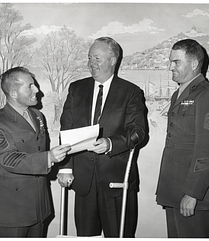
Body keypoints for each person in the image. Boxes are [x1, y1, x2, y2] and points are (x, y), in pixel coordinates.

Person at [57, 37, 147, 237]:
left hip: (116, 181)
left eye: (97, 58)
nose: (91, 63)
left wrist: (110, 143)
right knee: (85, 236)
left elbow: (138, 132)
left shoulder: (131, 92)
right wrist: (65, 167)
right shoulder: (76, 89)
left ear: (113, 60)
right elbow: (66, 128)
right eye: (89, 58)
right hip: (83, 182)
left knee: (119, 236)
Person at [0, 67, 71, 237]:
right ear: (14, 93)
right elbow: (9, 159)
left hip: (39, 207)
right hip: (13, 211)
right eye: (30, 86)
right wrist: (49, 157)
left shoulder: (38, 116)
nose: (37, 90)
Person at [155, 39, 209, 238]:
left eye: (176, 62)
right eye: (171, 62)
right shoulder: (179, 94)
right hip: (174, 188)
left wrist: (193, 193)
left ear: (194, 64)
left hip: (193, 192)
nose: (170, 67)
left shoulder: (208, 96)